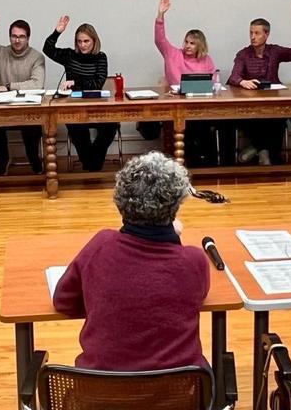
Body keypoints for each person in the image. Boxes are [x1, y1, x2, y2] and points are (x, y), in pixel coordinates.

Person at [53, 152, 208, 371]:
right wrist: (170, 237)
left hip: (100, 388)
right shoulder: (194, 260)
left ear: (120, 202)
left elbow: (64, 301)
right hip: (179, 390)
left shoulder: (101, 245)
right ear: (176, 206)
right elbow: (192, 296)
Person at [152, 0, 227, 167]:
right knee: (188, 127)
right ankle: (187, 163)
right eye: (186, 41)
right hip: (178, 104)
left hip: (201, 105)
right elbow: (159, 39)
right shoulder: (173, 54)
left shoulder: (206, 60)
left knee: (205, 125)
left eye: (192, 43)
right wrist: (160, 15)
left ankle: (205, 163)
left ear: (200, 45)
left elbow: (213, 83)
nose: (187, 45)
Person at [0, 11, 46, 175]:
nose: (17, 40)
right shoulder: (0, 52)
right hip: (2, 107)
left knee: (33, 127)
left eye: (21, 36)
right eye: (14, 36)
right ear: (10, 37)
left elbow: (37, 84)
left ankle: (34, 158)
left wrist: (10, 86)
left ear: (28, 38)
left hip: (27, 108)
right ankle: (3, 159)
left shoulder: (37, 57)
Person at [227, 17, 291, 166]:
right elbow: (234, 76)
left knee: (279, 118)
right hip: (251, 103)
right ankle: (264, 151)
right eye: (251, 33)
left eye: (257, 33)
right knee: (253, 119)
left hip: (272, 101)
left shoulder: (275, 51)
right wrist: (243, 82)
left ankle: (258, 148)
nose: (252, 37)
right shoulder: (243, 54)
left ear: (267, 34)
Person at [44, 16, 119, 172]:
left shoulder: (100, 57)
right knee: (76, 128)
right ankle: (92, 165)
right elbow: (48, 49)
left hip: (97, 106)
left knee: (111, 126)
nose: (82, 45)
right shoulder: (70, 56)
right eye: (79, 41)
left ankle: (93, 162)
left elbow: (97, 84)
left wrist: (74, 83)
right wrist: (57, 32)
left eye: (86, 41)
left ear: (94, 41)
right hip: (74, 106)